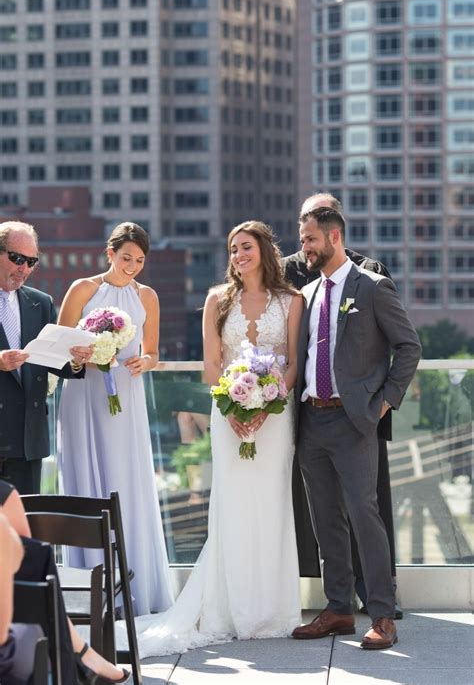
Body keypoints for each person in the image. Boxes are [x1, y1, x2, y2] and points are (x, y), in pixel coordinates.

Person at [116, 221, 303, 656]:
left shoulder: (291, 301)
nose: (239, 254)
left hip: (276, 418)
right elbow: (212, 366)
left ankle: (271, 612)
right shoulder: (217, 300)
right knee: (233, 505)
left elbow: (294, 362)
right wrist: (236, 409)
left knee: (272, 505)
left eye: (247, 247)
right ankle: (230, 608)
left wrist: (268, 403)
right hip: (228, 414)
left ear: (265, 251)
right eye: (234, 248)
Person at [292, 203, 421, 649]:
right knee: (325, 519)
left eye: (309, 239)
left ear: (333, 237)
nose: (303, 247)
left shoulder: (372, 287)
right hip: (311, 420)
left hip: (355, 422)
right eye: (302, 238)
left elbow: (409, 347)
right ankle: (338, 610)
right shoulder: (306, 295)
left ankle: (383, 616)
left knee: (365, 516)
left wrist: (384, 401)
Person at [57, 222, 173, 617]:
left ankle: (135, 587)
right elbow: (60, 344)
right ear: (110, 254)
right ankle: (86, 592)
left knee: (126, 479)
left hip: (125, 391)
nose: (133, 267)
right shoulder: (82, 289)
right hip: (84, 394)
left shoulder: (148, 296)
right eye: (126, 258)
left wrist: (146, 361)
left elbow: (154, 351)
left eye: (140, 261)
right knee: (86, 482)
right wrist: (81, 356)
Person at [0, 478, 130, 684]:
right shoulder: (5, 502)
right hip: (10, 658)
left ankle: (82, 652)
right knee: (34, 560)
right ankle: (81, 654)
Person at [0, 221, 92, 495]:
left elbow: (57, 361)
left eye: (32, 262)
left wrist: (77, 359)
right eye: (17, 258)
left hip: (27, 441)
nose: (24, 269)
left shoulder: (41, 303)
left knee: (26, 530)